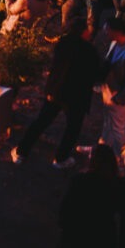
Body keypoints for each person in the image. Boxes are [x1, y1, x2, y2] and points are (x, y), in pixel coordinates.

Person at [12, 143, 119, 248]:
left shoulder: (81, 180)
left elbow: (67, 208)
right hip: (97, 239)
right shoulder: (115, 185)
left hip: (74, 235)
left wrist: (63, 225)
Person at [11, 16, 101, 168]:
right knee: (72, 129)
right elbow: (95, 75)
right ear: (83, 32)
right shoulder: (90, 51)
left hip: (56, 91)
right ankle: (60, 158)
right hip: (76, 96)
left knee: (42, 121)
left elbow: (56, 67)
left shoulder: (63, 44)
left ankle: (21, 151)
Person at [98, 18, 125, 167]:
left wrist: (121, 97)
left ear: (117, 31)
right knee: (108, 123)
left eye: (108, 30)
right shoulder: (115, 43)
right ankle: (102, 150)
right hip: (108, 90)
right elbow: (107, 63)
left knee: (117, 129)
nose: (105, 32)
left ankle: (119, 160)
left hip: (119, 96)